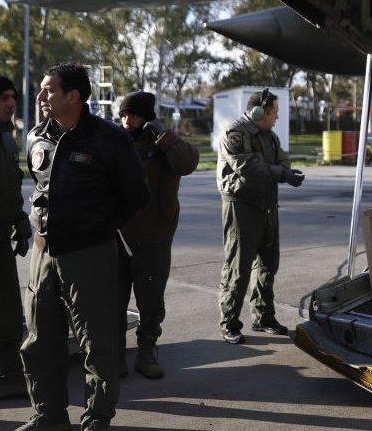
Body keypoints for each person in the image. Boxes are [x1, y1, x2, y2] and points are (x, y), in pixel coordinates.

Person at [18, 64, 149, 431]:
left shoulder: (109, 139)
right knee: (40, 340)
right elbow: (39, 188)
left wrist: (97, 227)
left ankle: (97, 417)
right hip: (43, 254)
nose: (41, 97)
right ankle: (48, 415)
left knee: (97, 342)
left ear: (73, 96)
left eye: (48, 91)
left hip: (90, 254)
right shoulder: (36, 137)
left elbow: (136, 196)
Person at [116, 91, 199, 379]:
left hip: (154, 235)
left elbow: (187, 164)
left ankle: (146, 350)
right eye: (124, 114)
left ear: (147, 117)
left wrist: (165, 138)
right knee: (113, 299)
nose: (128, 120)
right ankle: (114, 354)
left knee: (150, 301)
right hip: (117, 234)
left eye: (134, 115)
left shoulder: (162, 143)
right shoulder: (115, 140)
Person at [217, 89, 304, 344]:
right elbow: (246, 166)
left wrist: (285, 172)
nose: (276, 117)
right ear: (260, 112)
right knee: (238, 267)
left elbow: (282, 161)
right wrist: (280, 173)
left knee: (268, 263)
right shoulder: (235, 133)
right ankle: (229, 322)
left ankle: (263, 316)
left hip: (267, 203)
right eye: (274, 112)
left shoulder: (270, 137)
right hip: (242, 205)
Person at [0, 75, 30, 401]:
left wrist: (19, 218)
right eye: (4, 98)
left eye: (12, 97)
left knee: (6, 312)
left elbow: (10, 184)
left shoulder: (5, 137)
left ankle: (6, 377)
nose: (11, 103)